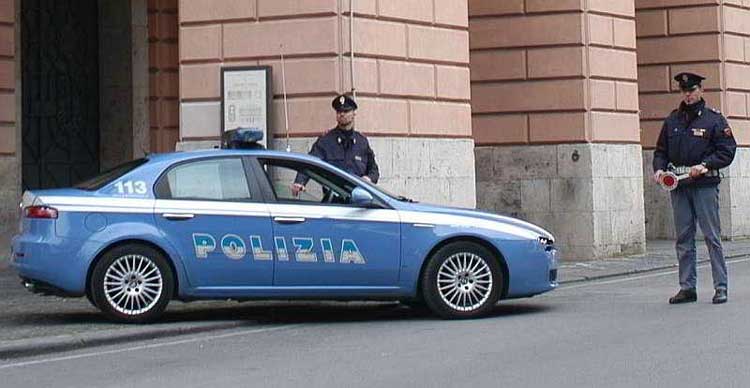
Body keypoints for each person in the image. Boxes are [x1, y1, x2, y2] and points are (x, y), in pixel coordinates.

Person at [653, 72, 737, 305]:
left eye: (691, 90)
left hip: (704, 185)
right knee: (683, 238)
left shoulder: (714, 120)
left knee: (711, 236)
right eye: (684, 91)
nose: (688, 95)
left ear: (701, 91)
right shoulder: (672, 120)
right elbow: (660, 151)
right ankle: (687, 287)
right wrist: (659, 170)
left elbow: (727, 150)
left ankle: (721, 287)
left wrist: (705, 165)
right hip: (679, 185)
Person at [291, 94, 379, 196]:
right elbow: (310, 163)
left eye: (346, 111)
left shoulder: (362, 142)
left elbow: (374, 170)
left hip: (359, 200)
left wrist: (368, 179)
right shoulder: (326, 141)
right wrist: (299, 182)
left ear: (354, 113)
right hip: (335, 202)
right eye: (339, 112)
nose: (342, 114)